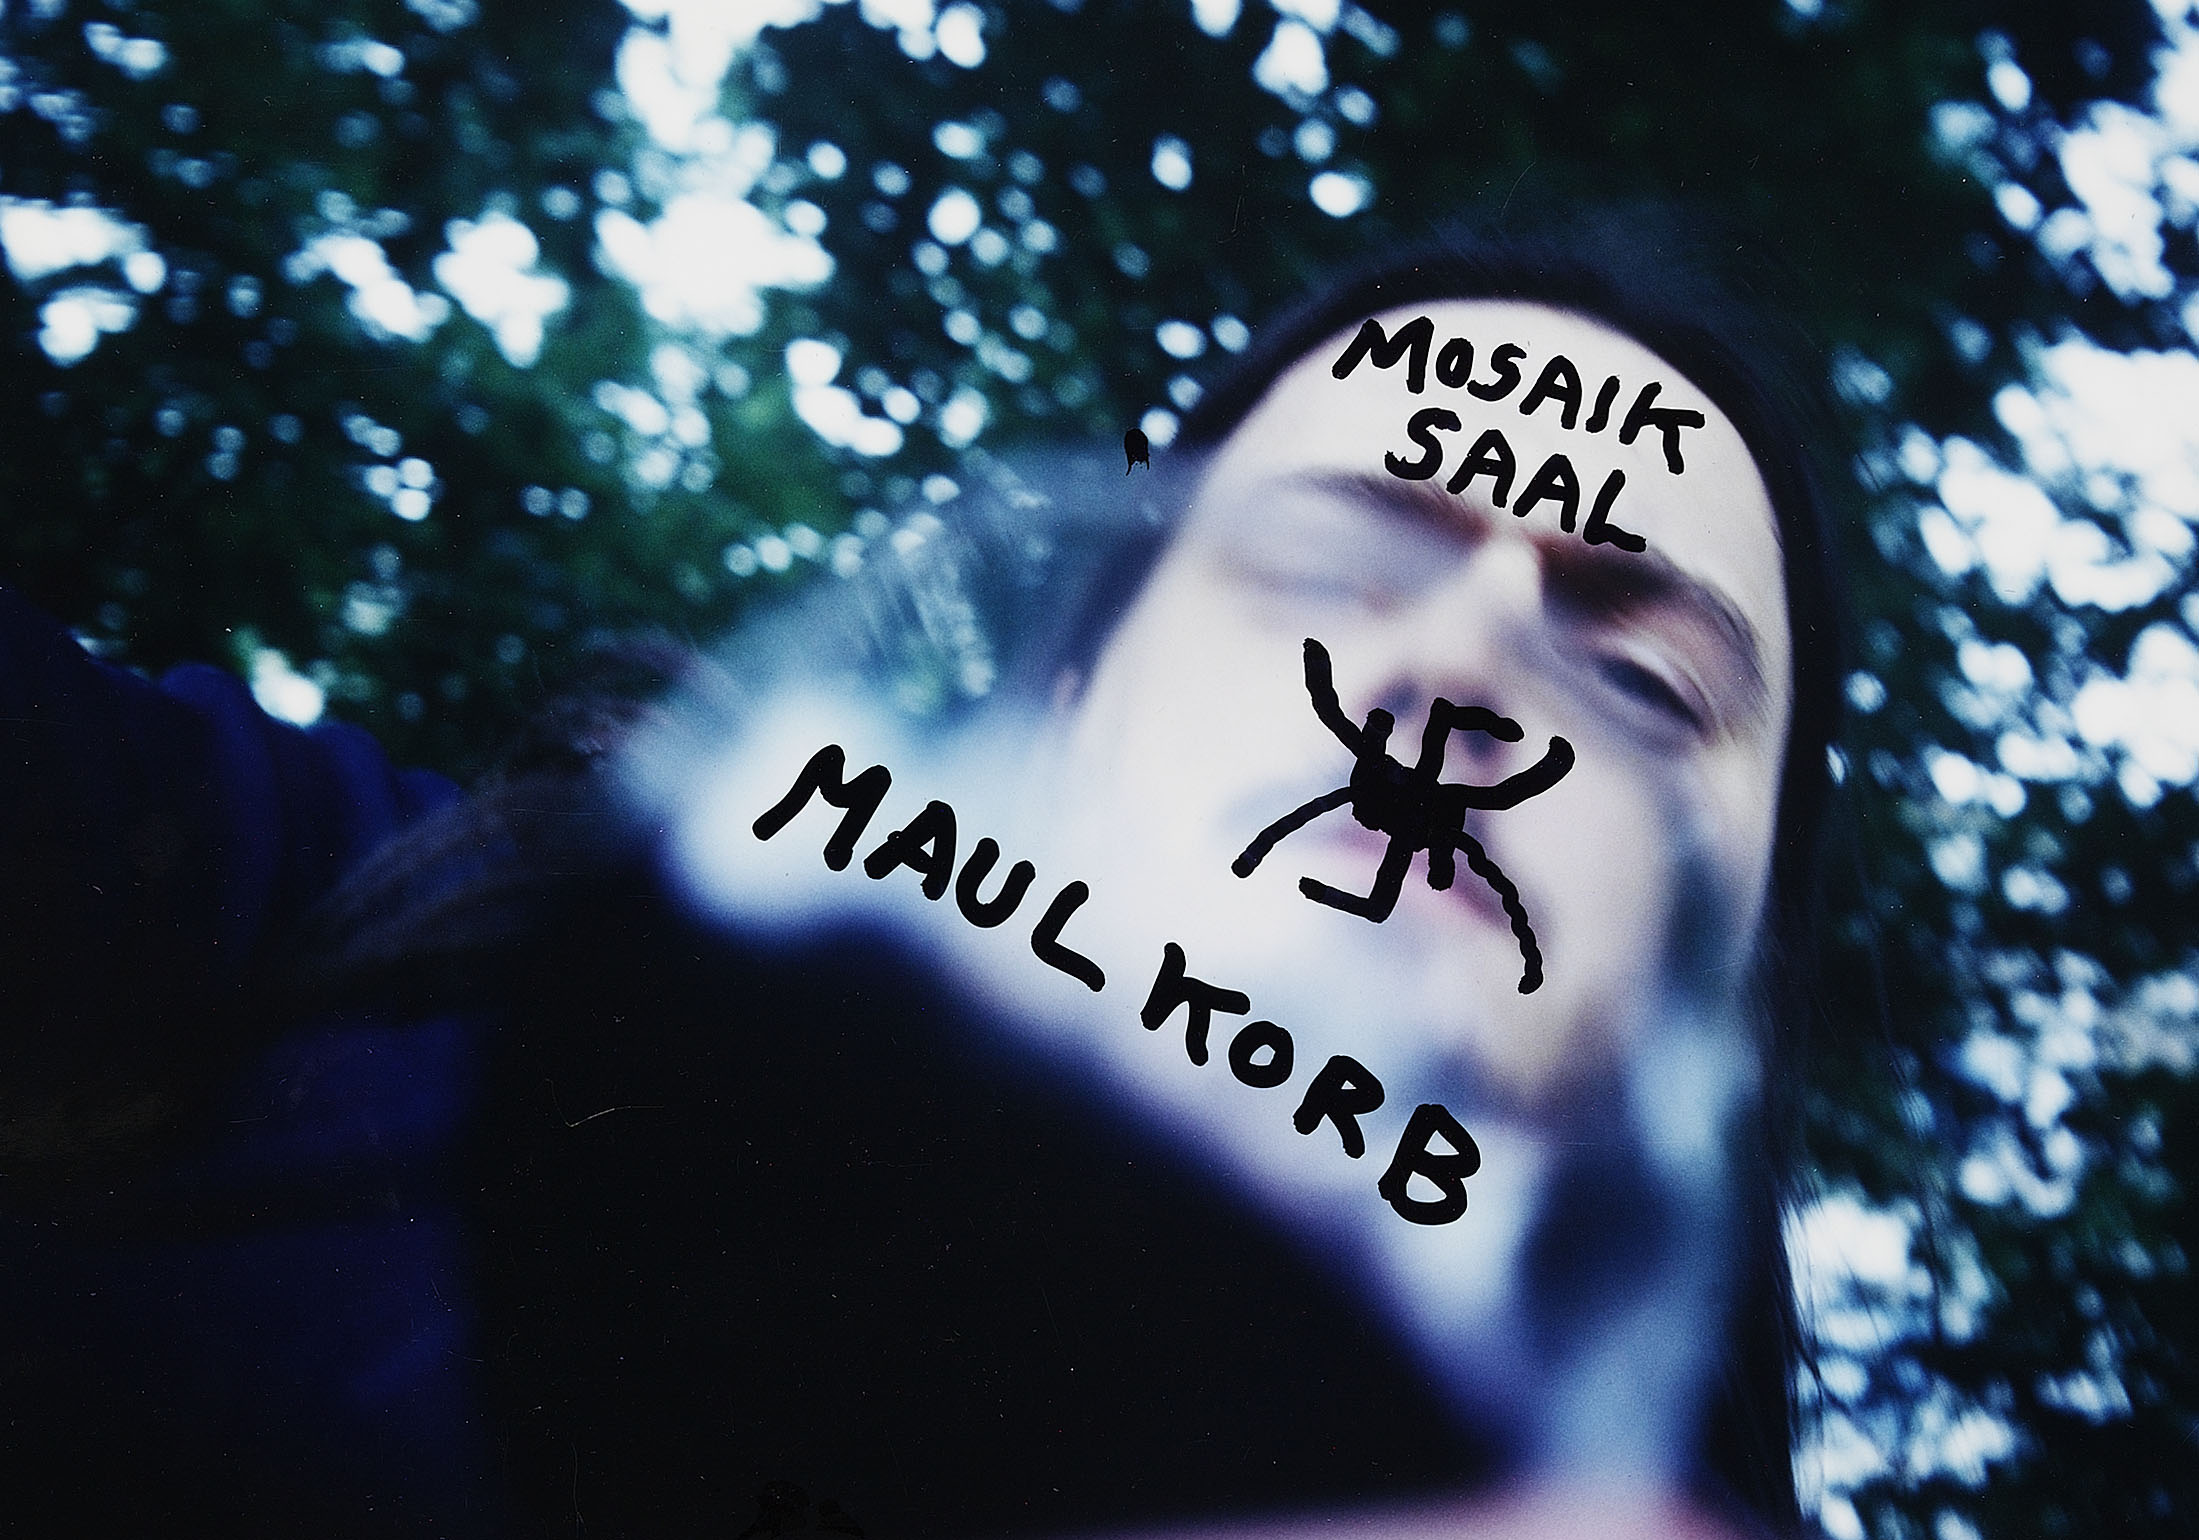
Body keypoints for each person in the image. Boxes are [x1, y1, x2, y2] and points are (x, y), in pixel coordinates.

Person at [0, 205, 1843, 1538]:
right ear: (1071, 679)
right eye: (1340, 559)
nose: (1462, 658)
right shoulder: (387, 913)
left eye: (1640, 687)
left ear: (1744, 953)